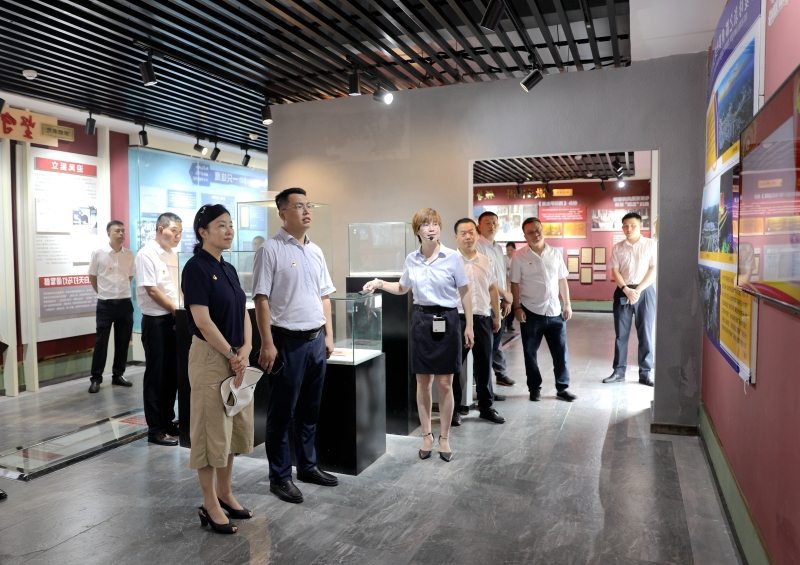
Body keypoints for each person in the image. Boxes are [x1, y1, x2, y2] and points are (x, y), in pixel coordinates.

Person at [363, 208, 474, 462]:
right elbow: (403, 288)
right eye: (426, 224)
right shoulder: (412, 259)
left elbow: (465, 292)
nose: (432, 228)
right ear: (417, 231)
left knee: (445, 383)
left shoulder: (452, 257)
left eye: (435, 224)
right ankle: (426, 435)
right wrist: (379, 283)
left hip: (448, 320)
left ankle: (444, 437)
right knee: (423, 382)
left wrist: (468, 325)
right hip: (422, 321)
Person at [253, 188, 338, 504]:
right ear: (282, 213)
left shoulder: (316, 251)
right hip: (286, 342)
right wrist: (267, 342)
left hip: (316, 341)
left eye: (308, 205)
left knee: (309, 410)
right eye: (298, 206)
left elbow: (324, 295)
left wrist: (329, 336)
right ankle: (280, 477)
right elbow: (261, 299)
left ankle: (307, 466)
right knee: (282, 413)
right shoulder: (270, 249)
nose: (306, 211)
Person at [182, 204, 254, 535]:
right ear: (203, 232)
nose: (229, 230)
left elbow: (243, 312)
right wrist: (230, 353)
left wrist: (246, 350)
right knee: (211, 432)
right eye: (221, 225)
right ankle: (209, 503)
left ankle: (225, 493)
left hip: (236, 357)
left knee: (232, 429)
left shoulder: (228, 268)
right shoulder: (195, 268)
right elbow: (202, 321)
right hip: (211, 359)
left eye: (230, 225)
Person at [510, 217, 577, 402]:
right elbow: (514, 283)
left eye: (537, 230)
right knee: (530, 353)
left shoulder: (554, 253)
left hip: (555, 312)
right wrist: (517, 307)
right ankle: (534, 388)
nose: (535, 234)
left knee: (561, 353)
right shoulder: (519, 256)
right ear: (525, 236)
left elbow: (562, 279)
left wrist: (567, 304)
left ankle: (562, 388)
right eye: (530, 232)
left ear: (543, 230)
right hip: (531, 312)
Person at [451, 218, 505, 426]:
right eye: (463, 233)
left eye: (471, 232)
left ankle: (486, 407)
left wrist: (497, 315)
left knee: (484, 365)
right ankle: (455, 409)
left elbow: (492, 289)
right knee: (455, 366)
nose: (468, 236)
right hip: (458, 320)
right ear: (456, 237)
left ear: (477, 234)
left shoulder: (485, 260)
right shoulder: (449, 261)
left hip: (483, 319)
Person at [135, 212, 182, 446]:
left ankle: (167, 421)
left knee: (172, 375)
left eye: (180, 232)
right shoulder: (146, 254)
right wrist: (176, 311)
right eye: (174, 231)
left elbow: (176, 288)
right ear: (161, 229)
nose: (178, 236)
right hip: (156, 322)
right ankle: (154, 429)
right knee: (156, 376)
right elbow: (152, 290)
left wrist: (180, 312)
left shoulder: (172, 255)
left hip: (173, 318)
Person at [604, 212, 657, 386]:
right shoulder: (618, 247)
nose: (628, 228)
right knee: (621, 334)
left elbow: (653, 269)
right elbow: (615, 271)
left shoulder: (650, 244)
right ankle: (618, 372)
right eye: (625, 226)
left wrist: (638, 290)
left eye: (632, 225)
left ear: (641, 226)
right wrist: (626, 289)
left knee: (645, 333)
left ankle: (645, 373)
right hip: (623, 291)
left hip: (645, 292)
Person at [87, 220, 136, 394]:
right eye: (117, 230)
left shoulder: (129, 254)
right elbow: (92, 276)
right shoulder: (98, 253)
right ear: (109, 234)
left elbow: (129, 276)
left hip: (125, 303)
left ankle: (118, 374)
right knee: (101, 342)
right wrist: (102, 292)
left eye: (123, 230)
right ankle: (96, 378)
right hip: (105, 305)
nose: (121, 233)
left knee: (123, 342)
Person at [475, 212, 515, 388]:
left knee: (495, 343)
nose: (492, 226)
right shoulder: (478, 247)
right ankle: (482, 385)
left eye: (495, 223)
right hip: (486, 303)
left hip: (501, 301)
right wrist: (505, 294)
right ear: (479, 226)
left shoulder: (499, 248)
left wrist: (507, 297)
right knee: (485, 347)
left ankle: (497, 376)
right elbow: (485, 278)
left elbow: (503, 275)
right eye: (487, 222)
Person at [505, 242, 517, 331]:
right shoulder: (503, 258)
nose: (509, 252)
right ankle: (503, 322)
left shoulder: (516, 259)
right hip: (504, 285)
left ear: (514, 250)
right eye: (508, 250)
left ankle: (510, 323)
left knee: (511, 304)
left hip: (512, 285)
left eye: (511, 250)